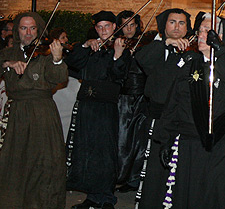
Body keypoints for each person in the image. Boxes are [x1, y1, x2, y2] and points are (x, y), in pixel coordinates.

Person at [154, 13, 225, 208]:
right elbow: (174, 105)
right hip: (189, 146)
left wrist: (220, 51)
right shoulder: (189, 63)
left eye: (207, 31)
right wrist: (165, 140)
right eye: (200, 30)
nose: (200, 35)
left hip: (221, 146)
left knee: (217, 198)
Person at [0, 12, 67, 208]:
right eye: (23, 28)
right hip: (17, 114)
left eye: (32, 28)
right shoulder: (8, 53)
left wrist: (57, 59)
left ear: (38, 30)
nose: (28, 33)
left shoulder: (45, 54)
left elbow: (58, 78)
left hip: (42, 113)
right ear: (17, 31)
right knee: (14, 162)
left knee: (44, 164)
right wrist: (7, 64)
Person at [65, 11, 131, 209]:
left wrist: (118, 56)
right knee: (86, 150)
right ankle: (91, 196)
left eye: (107, 27)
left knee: (104, 153)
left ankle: (106, 197)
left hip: (106, 108)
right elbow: (71, 65)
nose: (103, 31)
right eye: (99, 27)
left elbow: (119, 78)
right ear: (95, 29)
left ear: (114, 27)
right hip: (87, 106)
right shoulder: (89, 48)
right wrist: (85, 46)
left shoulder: (120, 50)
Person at [135, 8, 193, 209]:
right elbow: (143, 61)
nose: (177, 27)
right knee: (155, 169)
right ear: (163, 26)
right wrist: (165, 43)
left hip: (182, 120)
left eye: (182, 23)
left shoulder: (193, 51)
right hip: (158, 118)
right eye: (172, 22)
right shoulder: (156, 47)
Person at [114, 10, 148, 193]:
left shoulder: (144, 45)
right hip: (122, 97)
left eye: (132, 25)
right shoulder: (116, 45)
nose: (129, 30)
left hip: (141, 97)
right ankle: (119, 174)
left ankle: (134, 178)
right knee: (121, 139)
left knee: (138, 141)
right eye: (124, 25)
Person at [51, 26, 81, 142]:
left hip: (70, 90)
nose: (66, 40)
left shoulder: (70, 55)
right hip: (60, 91)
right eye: (63, 38)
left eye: (66, 37)